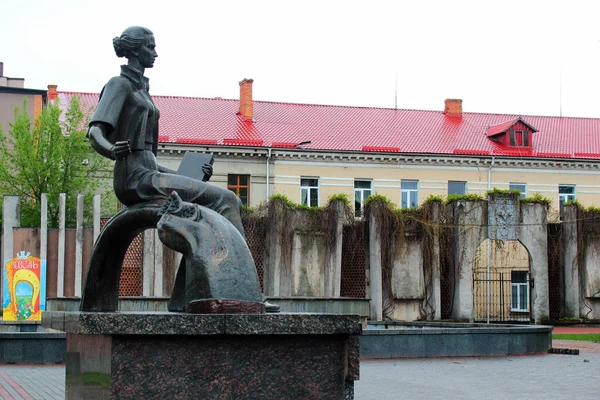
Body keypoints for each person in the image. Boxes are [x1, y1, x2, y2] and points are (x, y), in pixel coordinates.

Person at [87, 26, 245, 236]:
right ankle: (239, 267)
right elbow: (94, 132)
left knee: (220, 203)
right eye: (150, 47)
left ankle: (195, 268)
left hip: (148, 173)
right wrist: (112, 150)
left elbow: (150, 163)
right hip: (132, 180)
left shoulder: (143, 91)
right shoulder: (119, 84)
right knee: (227, 200)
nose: (155, 53)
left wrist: (193, 177)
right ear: (135, 51)